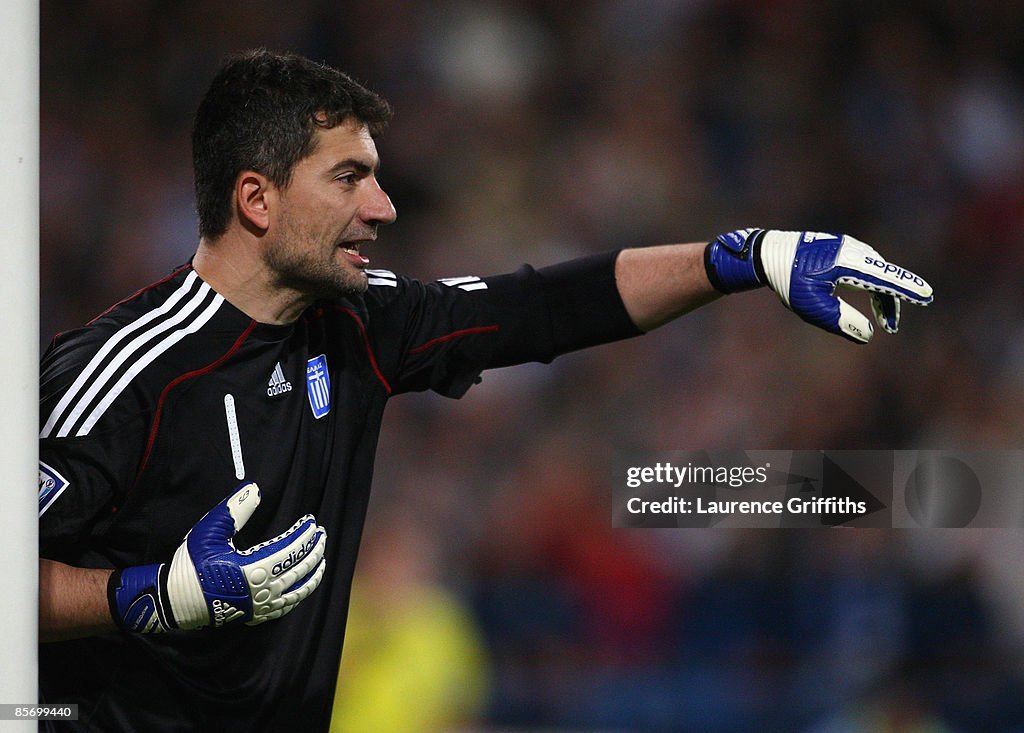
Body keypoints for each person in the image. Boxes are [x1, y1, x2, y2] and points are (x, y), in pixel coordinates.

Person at [37, 49, 932, 731]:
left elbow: (546, 308)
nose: (383, 206)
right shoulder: (116, 374)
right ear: (257, 199)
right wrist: (149, 595)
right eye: (349, 177)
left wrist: (737, 259)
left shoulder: (360, 325)